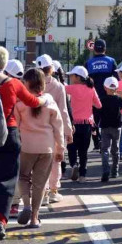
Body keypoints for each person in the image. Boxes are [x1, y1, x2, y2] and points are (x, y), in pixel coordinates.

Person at [0, 46, 48, 241]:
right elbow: (32, 101)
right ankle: (1, 221)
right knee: (5, 180)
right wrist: (44, 101)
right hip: (8, 134)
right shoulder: (13, 83)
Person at [14, 69, 64, 228]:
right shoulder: (49, 100)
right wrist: (60, 148)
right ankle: (35, 218)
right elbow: (58, 125)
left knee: (23, 177)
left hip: (26, 146)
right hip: (47, 147)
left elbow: (14, 125)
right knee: (40, 183)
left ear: (26, 84)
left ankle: (26, 205)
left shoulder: (20, 102)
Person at [36, 55, 73, 203]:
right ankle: (53, 191)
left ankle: (42, 192)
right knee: (55, 161)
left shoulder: (33, 84)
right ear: (52, 68)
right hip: (56, 128)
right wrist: (68, 131)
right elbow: (63, 111)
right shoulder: (58, 86)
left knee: (39, 162)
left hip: (37, 128)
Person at [65, 66, 102, 182]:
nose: (70, 77)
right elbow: (99, 105)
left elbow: (60, 90)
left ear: (77, 77)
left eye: (72, 75)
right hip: (87, 124)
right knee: (83, 151)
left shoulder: (71, 88)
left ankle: (74, 165)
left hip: (74, 124)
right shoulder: (91, 89)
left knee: (71, 146)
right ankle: (82, 175)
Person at [86, 39, 117, 150]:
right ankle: (107, 143)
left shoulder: (88, 63)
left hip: (93, 97)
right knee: (107, 119)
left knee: (94, 120)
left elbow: (85, 81)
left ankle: (97, 142)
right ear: (105, 49)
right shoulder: (111, 61)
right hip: (109, 96)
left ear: (94, 49)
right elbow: (116, 79)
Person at [99, 77, 122, 182]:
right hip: (117, 126)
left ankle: (106, 170)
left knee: (105, 150)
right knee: (116, 150)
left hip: (105, 126)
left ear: (105, 87)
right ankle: (115, 171)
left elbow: (99, 112)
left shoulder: (102, 99)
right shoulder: (119, 99)